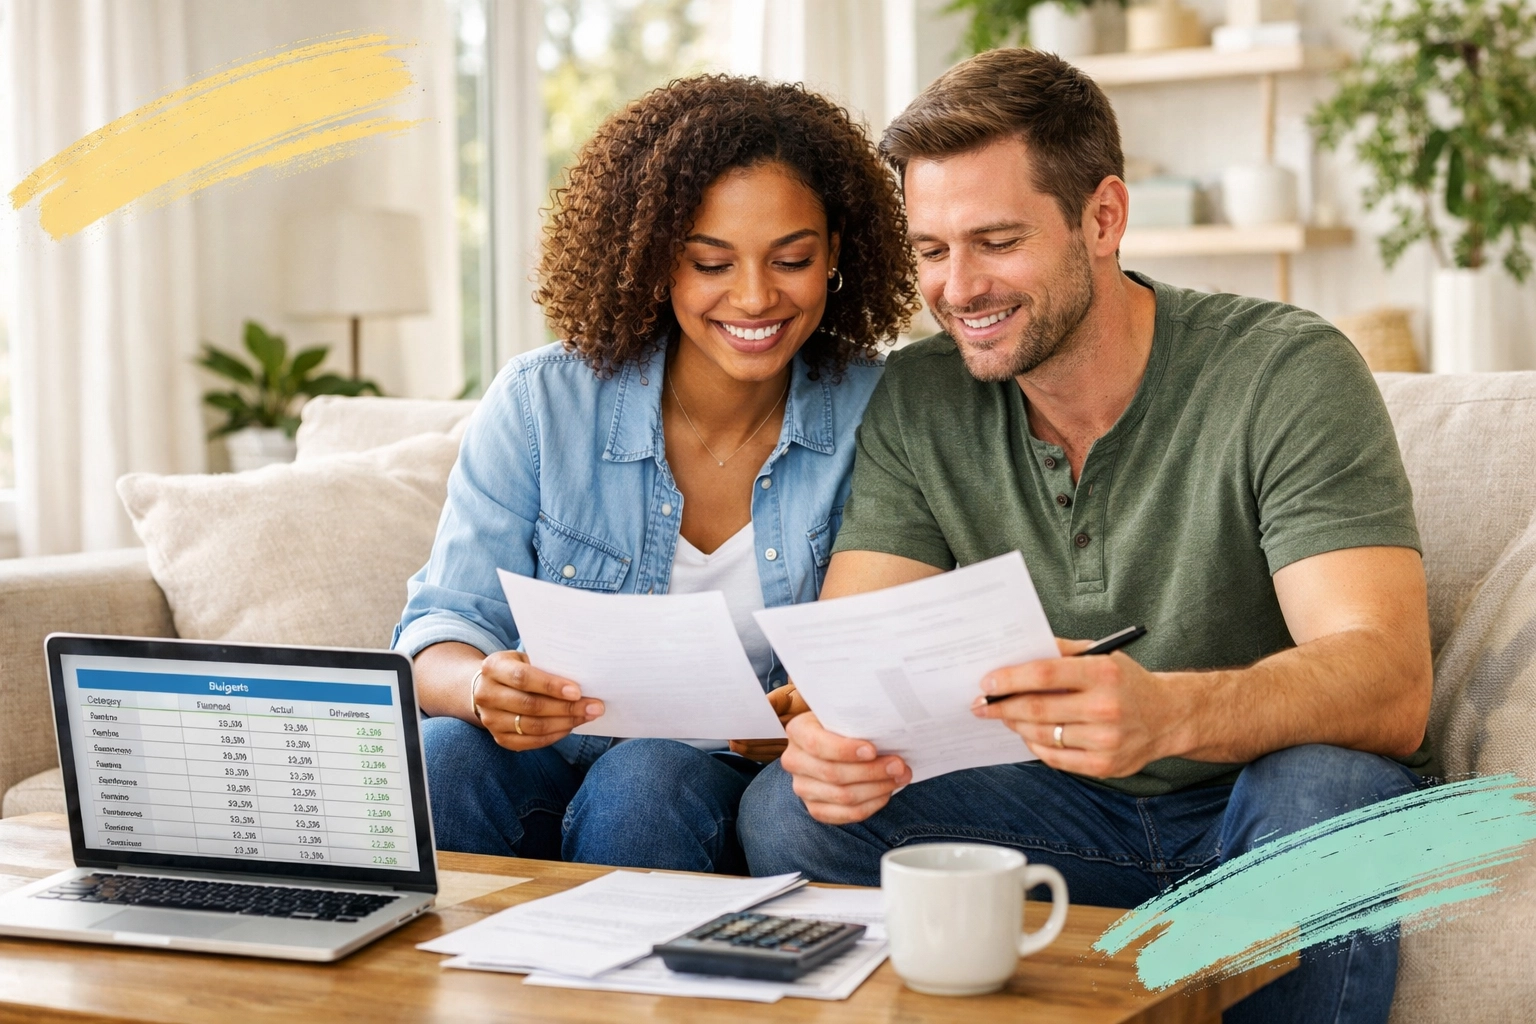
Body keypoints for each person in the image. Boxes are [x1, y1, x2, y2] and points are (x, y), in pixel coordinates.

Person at [737, 49, 1434, 1023]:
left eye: (997, 240)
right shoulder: (922, 397)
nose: (959, 287)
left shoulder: (1286, 370)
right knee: (789, 809)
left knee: (1326, 794)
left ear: (1102, 217)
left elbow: (1391, 681)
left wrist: (1172, 713)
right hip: (1056, 809)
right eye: (932, 249)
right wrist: (826, 737)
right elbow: (854, 650)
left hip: (1253, 799)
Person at [393, 75, 918, 874]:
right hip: (547, 758)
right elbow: (438, 628)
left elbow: (903, 655)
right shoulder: (543, 402)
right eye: (711, 262)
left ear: (836, 254)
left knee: (646, 777)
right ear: (655, 260)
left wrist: (825, 709)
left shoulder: (881, 412)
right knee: (441, 756)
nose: (753, 297)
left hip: (718, 785)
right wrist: (480, 686)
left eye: (792, 259)